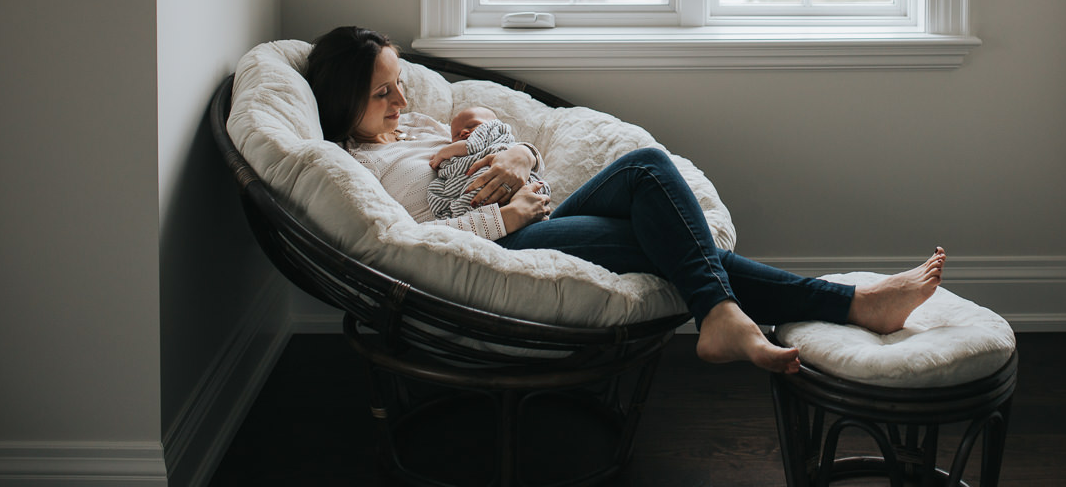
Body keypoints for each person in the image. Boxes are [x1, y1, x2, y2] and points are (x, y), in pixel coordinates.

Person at [305, 25, 945, 374]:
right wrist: (507, 212)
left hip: (538, 205)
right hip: (513, 235)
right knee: (656, 229)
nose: (402, 103)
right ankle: (836, 305)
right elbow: (423, 240)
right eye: (381, 94)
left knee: (645, 170)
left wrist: (518, 157)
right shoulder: (368, 164)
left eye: (397, 85)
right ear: (342, 106)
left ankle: (760, 312)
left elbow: (505, 150)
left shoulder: (413, 127)